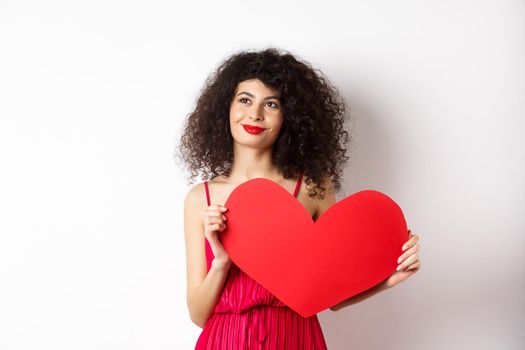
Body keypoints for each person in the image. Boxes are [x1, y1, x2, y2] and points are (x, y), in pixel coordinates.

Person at [177, 47, 421, 349]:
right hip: (226, 341)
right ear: (224, 108)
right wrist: (221, 261)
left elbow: (332, 295)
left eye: (271, 104)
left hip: (295, 339)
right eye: (244, 100)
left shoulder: (313, 188)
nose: (255, 114)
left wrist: (391, 277)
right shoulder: (200, 199)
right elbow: (199, 314)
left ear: (289, 116)